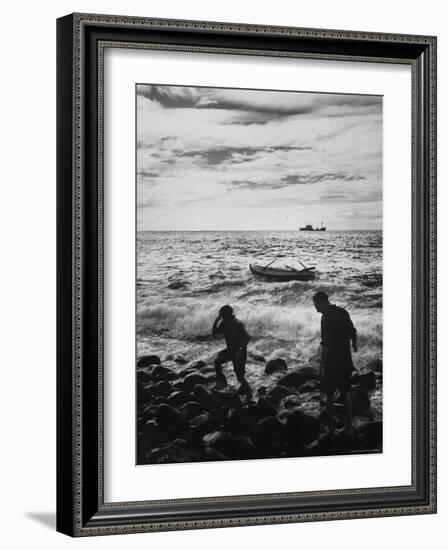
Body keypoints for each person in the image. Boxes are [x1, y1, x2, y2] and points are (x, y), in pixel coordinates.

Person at [312, 291, 358, 434]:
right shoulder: (343, 312)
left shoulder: (325, 318)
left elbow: (325, 344)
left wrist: (321, 365)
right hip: (345, 359)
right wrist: (354, 345)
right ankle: (349, 426)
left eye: (316, 304)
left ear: (322, 302)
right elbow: (353, 332)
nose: (315, 308)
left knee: (330, 394)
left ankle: (331, 427)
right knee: (346, 392)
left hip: (332, 361)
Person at [212, 305, 252, 397]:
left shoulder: (238, 324)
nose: (222, 318)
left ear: (229, 315)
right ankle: (221, 383)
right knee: (217, 361)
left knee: (240, 377)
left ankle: (249, 393)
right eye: (220, 316)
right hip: (230, 350)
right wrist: (216, 321)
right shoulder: (224, 323)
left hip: (240, 352)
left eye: (223, 316)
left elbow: (247, 337)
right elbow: (215, 334)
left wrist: (240, 350)